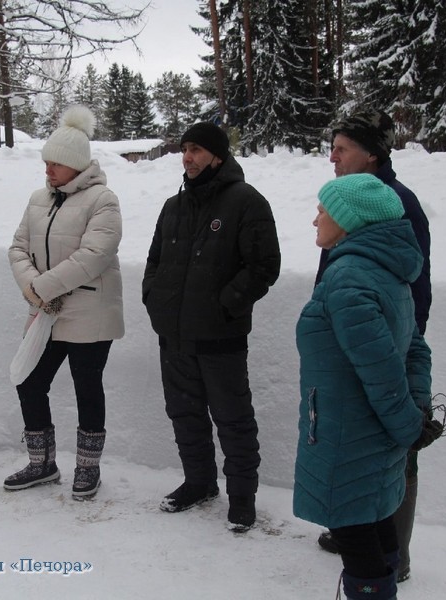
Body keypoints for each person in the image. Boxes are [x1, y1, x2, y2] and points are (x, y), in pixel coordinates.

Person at [293, 174, 441, 600]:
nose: (315, 220)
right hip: (373, 435)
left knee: (355, 536)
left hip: (347, 437)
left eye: (323, 210)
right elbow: (416, 350)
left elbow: (382, 373)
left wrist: (410, 425)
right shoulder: (386, 274)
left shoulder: (349, 280)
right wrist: (415, 413)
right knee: (375, 522)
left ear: (348, 219)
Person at [142, 122, 281, 532]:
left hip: (221, 338)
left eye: (197, 150)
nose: (187, 157)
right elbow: (154, 262)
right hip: (175, 336)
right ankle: (199, 482)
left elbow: (263, 267)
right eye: (185, 149)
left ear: (218, 156)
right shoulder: (173, 206)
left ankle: (242, 498)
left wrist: (226, 307)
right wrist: (155, 300)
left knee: (233, 419)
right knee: (184, 414)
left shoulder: (247, 202)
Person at [315, 109, 432, 583]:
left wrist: (400, 346)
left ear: (372, 154)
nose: (333, 157)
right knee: (359, 446)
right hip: (354, 339)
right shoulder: (345, 201)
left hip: (385, 344)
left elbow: (412, 286)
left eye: (342, 149)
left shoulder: (397, 201)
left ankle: (394, 555)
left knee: (394, 448)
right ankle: (355, 528)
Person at [5, 105, 124, 500]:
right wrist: (35, 288)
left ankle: (88, 469)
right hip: (46, 313)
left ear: (77, 165)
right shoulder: (39, 198)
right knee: (29, 380)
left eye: (56, 163)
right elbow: (18, 247)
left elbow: (95, 256)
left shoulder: (102, 200)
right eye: (46, 162)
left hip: (89, 313)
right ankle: (42, 463)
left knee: (86, 388)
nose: (48, 170)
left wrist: (43, 288)